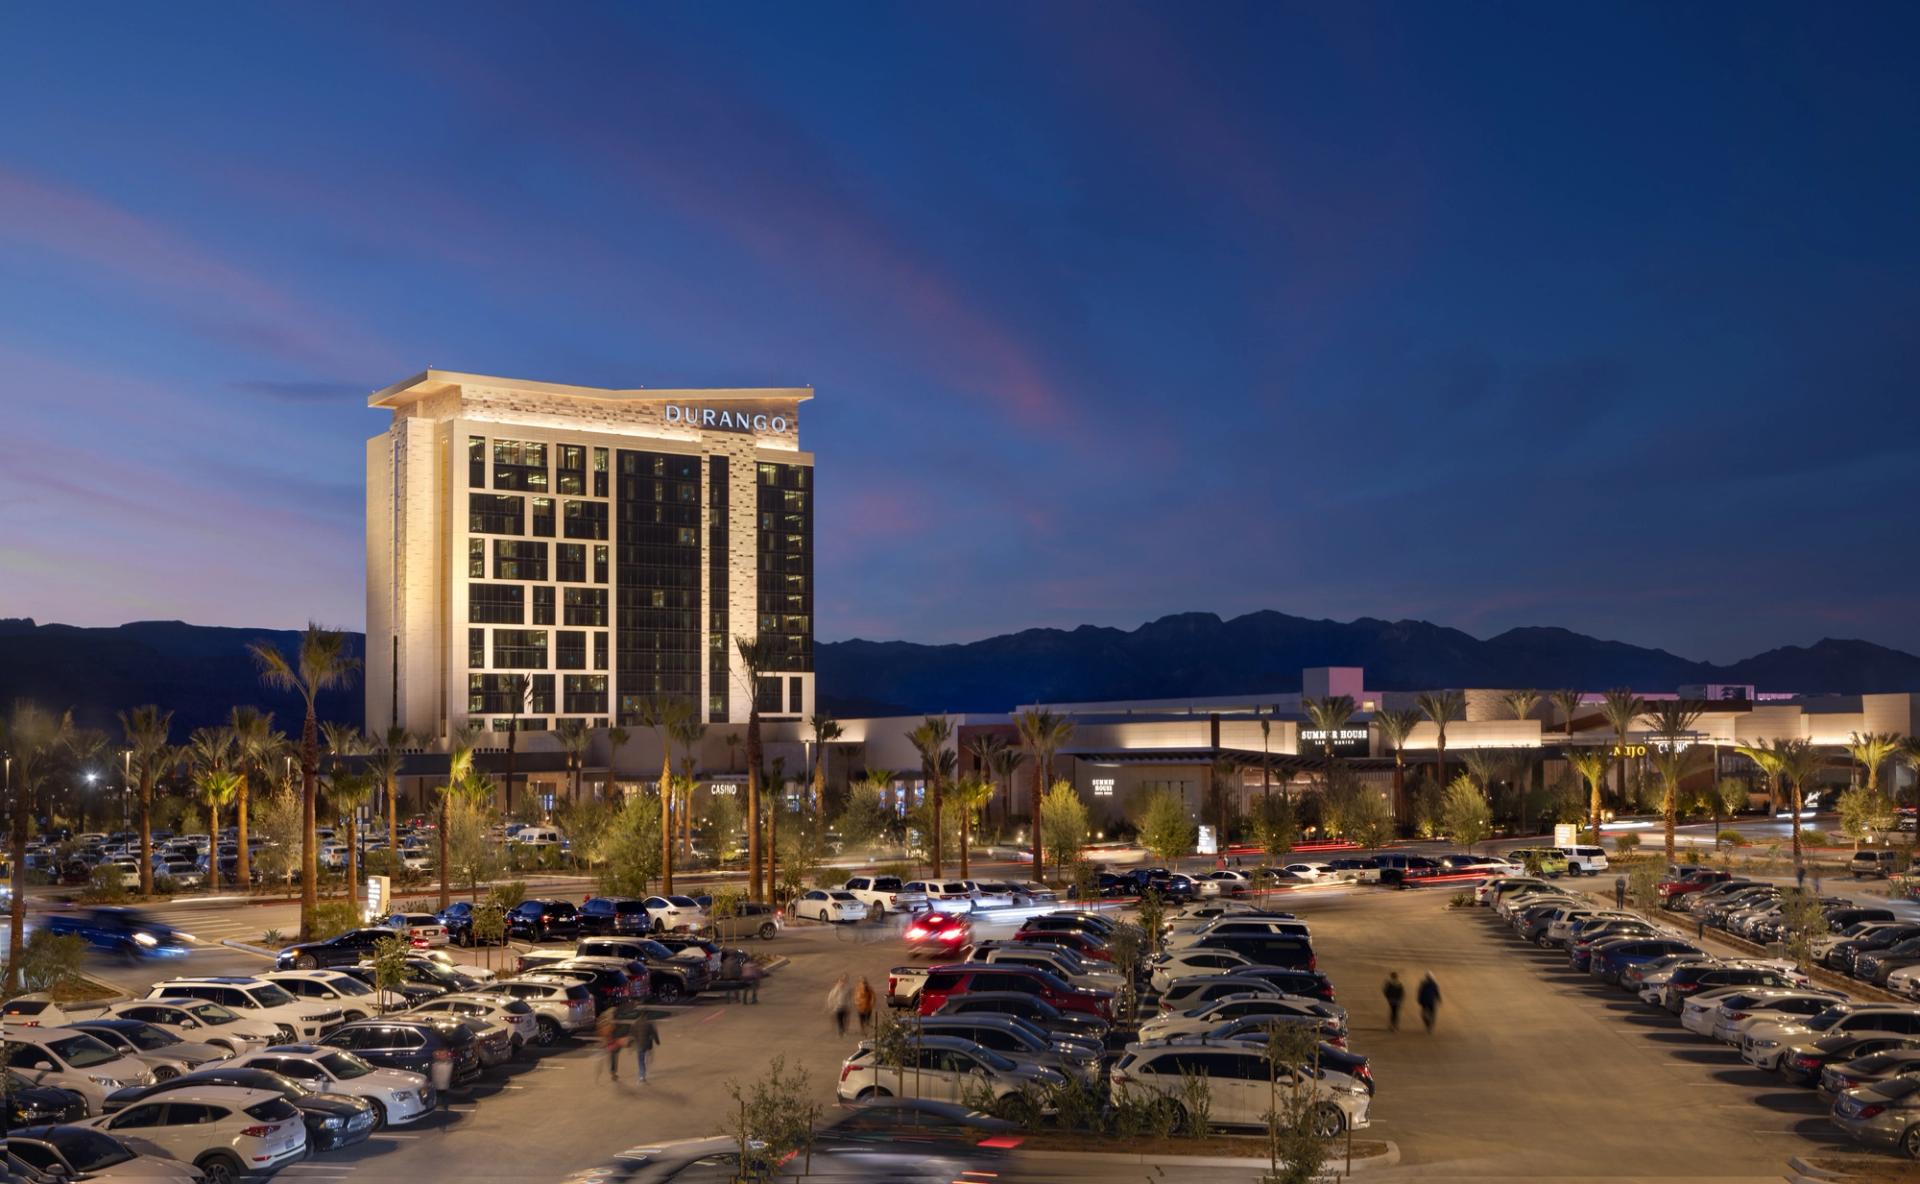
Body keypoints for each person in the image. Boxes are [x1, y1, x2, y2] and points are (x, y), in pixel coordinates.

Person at [596, 1006, 627, 1082]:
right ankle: (613, 1073)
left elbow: (601, 1032)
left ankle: (611, 1073)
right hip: (612, 1043)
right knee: (613, 1058)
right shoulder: (611, 1024)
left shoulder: (605, 1022)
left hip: (609, 1043)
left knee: (611, 1058)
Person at [628, 1011, 659, 1084]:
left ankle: (642, 1077)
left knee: (641, 1061)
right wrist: (657, 1042)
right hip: (647, 1045)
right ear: (645, 1016)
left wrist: (630, 1045)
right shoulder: (649, 1024)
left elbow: (631, 1034)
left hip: (639, 1045)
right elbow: (654, 1034)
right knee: (647, 1057)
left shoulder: (635, 1023)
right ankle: (647, 1070)